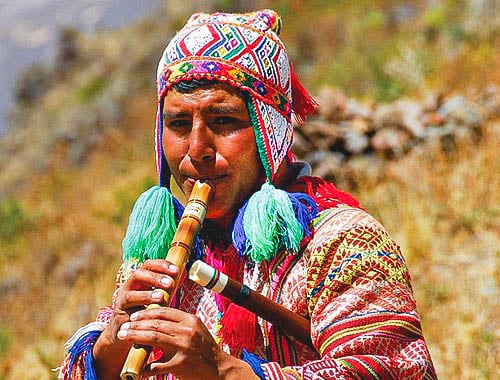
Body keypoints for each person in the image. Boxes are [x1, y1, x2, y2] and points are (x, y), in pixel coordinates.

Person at [59, 9, 436, 380]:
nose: (196, 148)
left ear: (268, 130)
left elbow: (400, 372)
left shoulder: (344, 242)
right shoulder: (157, 250)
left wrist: (226, 372)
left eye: (223, 121)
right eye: (177, 123)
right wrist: (111, 346)